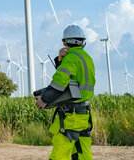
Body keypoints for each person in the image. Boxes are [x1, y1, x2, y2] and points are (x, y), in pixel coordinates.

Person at [35, 25, 96, 160]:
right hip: (84, 114)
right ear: (82, 42)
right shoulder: (86, 58)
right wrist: (60, 61)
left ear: (64, 42)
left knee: (60, 155)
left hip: (71, 116)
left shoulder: (72, 58)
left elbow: (59, 83)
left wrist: (44, 99)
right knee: (82, 154)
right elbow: (73, 81)